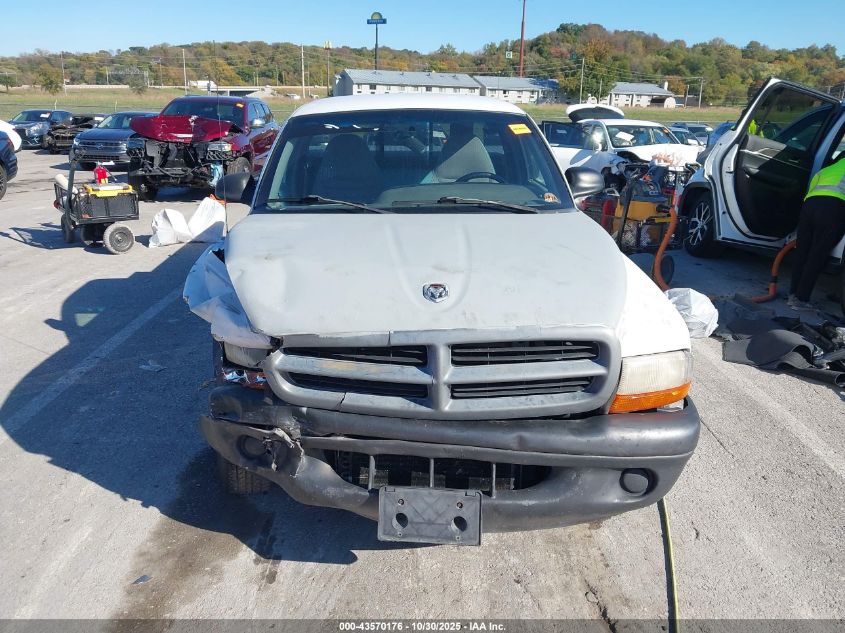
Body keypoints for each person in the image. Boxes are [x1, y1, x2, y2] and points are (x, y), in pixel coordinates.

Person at [788, 153, 845, 310]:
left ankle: (793, 294)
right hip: (833, 209)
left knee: (802, 252)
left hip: (809, 206)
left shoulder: (828, 169)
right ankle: (801, 299)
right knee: (817, 255)